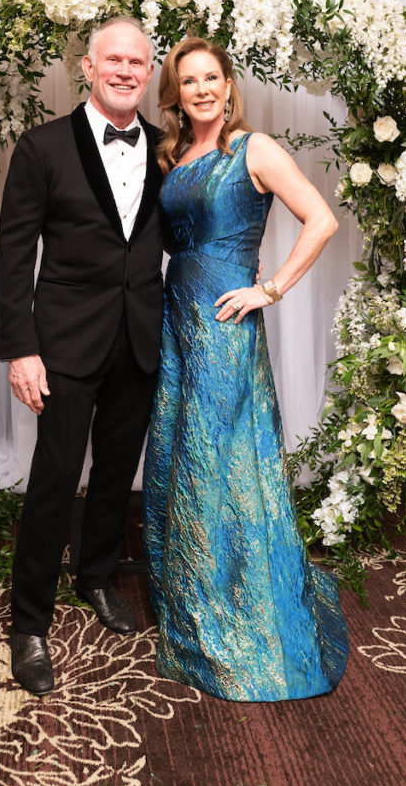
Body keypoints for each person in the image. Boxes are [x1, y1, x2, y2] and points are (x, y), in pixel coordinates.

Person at [143, 36, 348, 701]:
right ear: (175, 92)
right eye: (188, 80)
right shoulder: (174, 154)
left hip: (226, 327)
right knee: (184, 452)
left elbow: (320, 220)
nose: (201, 89)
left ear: (229, 85)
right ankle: (194, 590)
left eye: (211, 77)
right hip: (178, 318)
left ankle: (232, 610)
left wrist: (271, 287)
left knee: (222, 458)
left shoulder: (253, 149)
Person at [0, 17, 163, 696]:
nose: (125, 71)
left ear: (148, 74)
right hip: (63, 342)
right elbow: (13, 253)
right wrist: (20, 350)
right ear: (88, 68)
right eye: (113, 60)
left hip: (141, 335)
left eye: (138, 62)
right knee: (56, 475)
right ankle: (28, 622)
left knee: (118, 470)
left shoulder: (165, 146)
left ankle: (95, 576)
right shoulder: (40, 147)